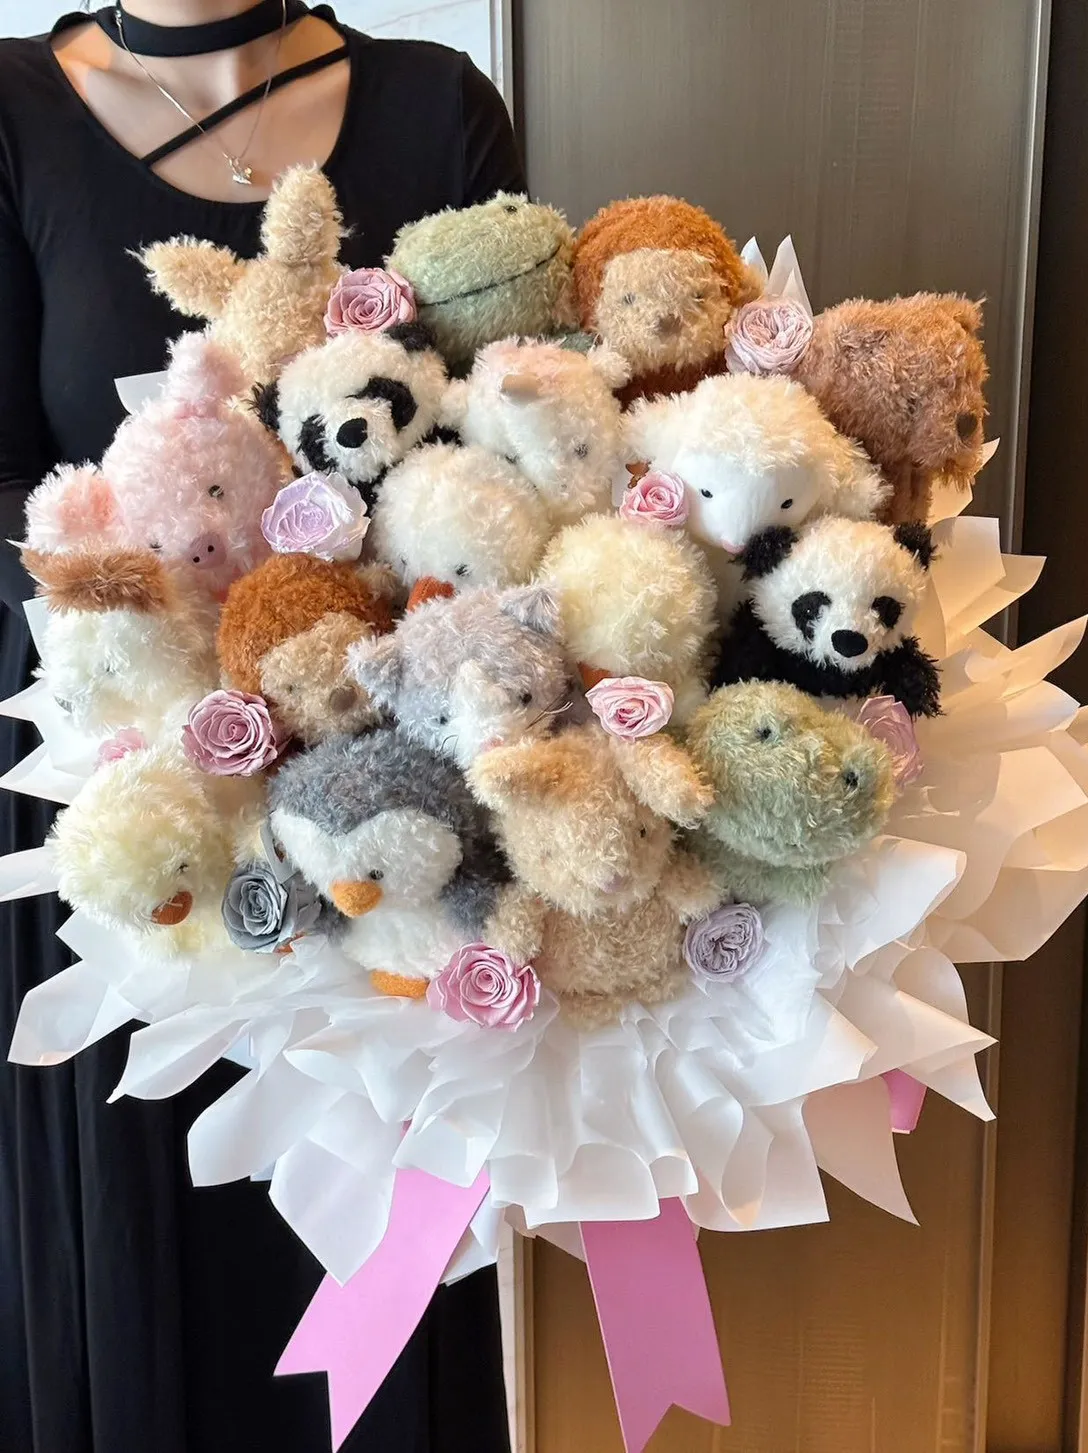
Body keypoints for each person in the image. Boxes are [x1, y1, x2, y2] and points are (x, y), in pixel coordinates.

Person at [0, 4, 523, 1451]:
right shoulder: (14, 112)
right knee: (144, 1233)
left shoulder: (437, 106)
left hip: (396, 771)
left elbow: (516, 456)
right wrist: (166, 629)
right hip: (127, 786)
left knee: (379, 1234)